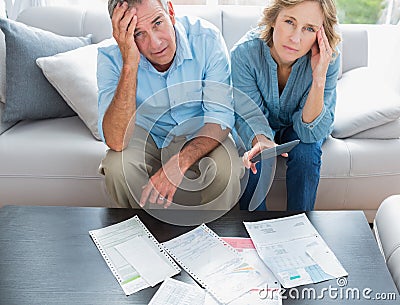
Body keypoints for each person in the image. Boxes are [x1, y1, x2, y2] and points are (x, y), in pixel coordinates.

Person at [97, 0, 243, 211]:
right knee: (116, 166)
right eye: (139, 33)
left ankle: (214, 239)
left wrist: (179, 163)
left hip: (200, 132)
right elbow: (116, 141)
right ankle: (140, 236)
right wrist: (129, 63)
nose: (155, 43)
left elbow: (220, 118)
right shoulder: (110, 57)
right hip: (149, 135)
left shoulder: (207, 39)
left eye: (157, 23)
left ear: (171, 12)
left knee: (226, 169)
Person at [231, 0, 341, 211]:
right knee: (257, 156)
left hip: (299, 128)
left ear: (321, 34)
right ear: (273, 19)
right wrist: (261, 140)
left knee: (307, 151)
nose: (295, 38)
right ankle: (252, 231)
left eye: (309, 28)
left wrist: (318, 78)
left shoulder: (329, 60)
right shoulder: (244, 54)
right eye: (290, 21)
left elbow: (311, 133)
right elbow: (248, 114)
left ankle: (300, 228)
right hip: (260, 126)